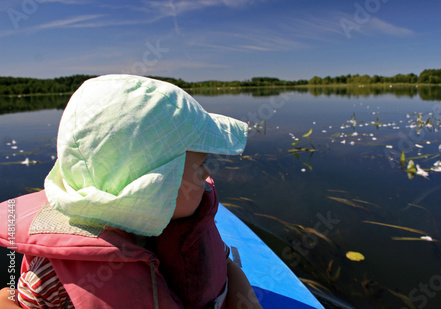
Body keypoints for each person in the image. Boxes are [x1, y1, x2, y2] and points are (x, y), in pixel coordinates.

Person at [0, 74, 262, 308]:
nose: (207, 175)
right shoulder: (53, 276)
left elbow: (227, 265)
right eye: (201, 165)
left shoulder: (190, 230)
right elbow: (8, 299)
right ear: (151, 186)